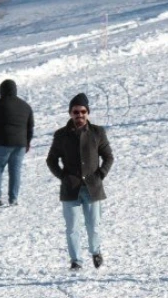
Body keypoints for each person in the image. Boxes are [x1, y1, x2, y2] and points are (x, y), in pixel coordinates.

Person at [46, 93, 114, 270]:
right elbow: (51, 160)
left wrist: (100, 175)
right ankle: (76, 260)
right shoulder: (61, 135)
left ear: (87, 112)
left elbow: (108, 157)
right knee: (72, 227)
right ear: (70, 113)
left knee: (93, 225)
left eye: (83, 111)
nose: (80, 115)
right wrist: (63, 177)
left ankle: (95, 251)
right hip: (71, 189)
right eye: (76, 112)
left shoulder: (98, 132)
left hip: (93, 188)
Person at [0, 79, 34, 207]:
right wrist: (27, 142)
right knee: (15, 171)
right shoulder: (26, 106)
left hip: (2, 141)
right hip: (21, 144)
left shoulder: (0, 103)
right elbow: (30, 127)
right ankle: (13, 199)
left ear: (2, 91)